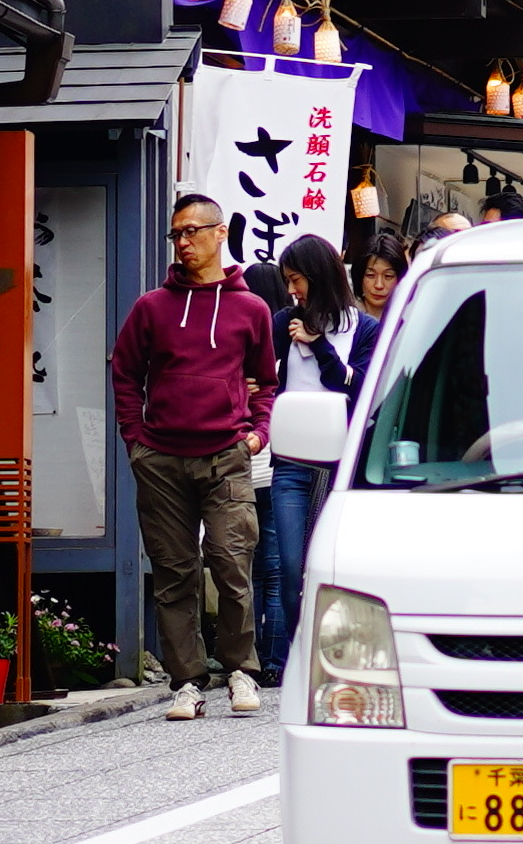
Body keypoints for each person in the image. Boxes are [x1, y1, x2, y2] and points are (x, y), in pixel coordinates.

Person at [110, 195, 279, 720]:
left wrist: (257, 434)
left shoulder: (251, 309)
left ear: (219, 232)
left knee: (231, 562)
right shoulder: (151, 307)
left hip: (226, 454)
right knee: (173, 572)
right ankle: (186, 682)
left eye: (192, 231)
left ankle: (241, 670)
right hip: (160, 458)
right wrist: (135, 439)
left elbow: (267, 382)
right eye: (176, 234)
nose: (183, 243)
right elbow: (125, 373)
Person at [254, 237, 378, 686]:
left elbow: (359, 389)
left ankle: (335, 655)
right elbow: (263, 377)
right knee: (291, 566)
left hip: (341, 468)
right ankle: (301, 652)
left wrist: (319, 344)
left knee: (334, 566)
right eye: (287, 281)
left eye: (296, 279)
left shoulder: (364, 328)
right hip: (289, 462)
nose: (292, 290)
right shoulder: (282, 322)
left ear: (319, 276)